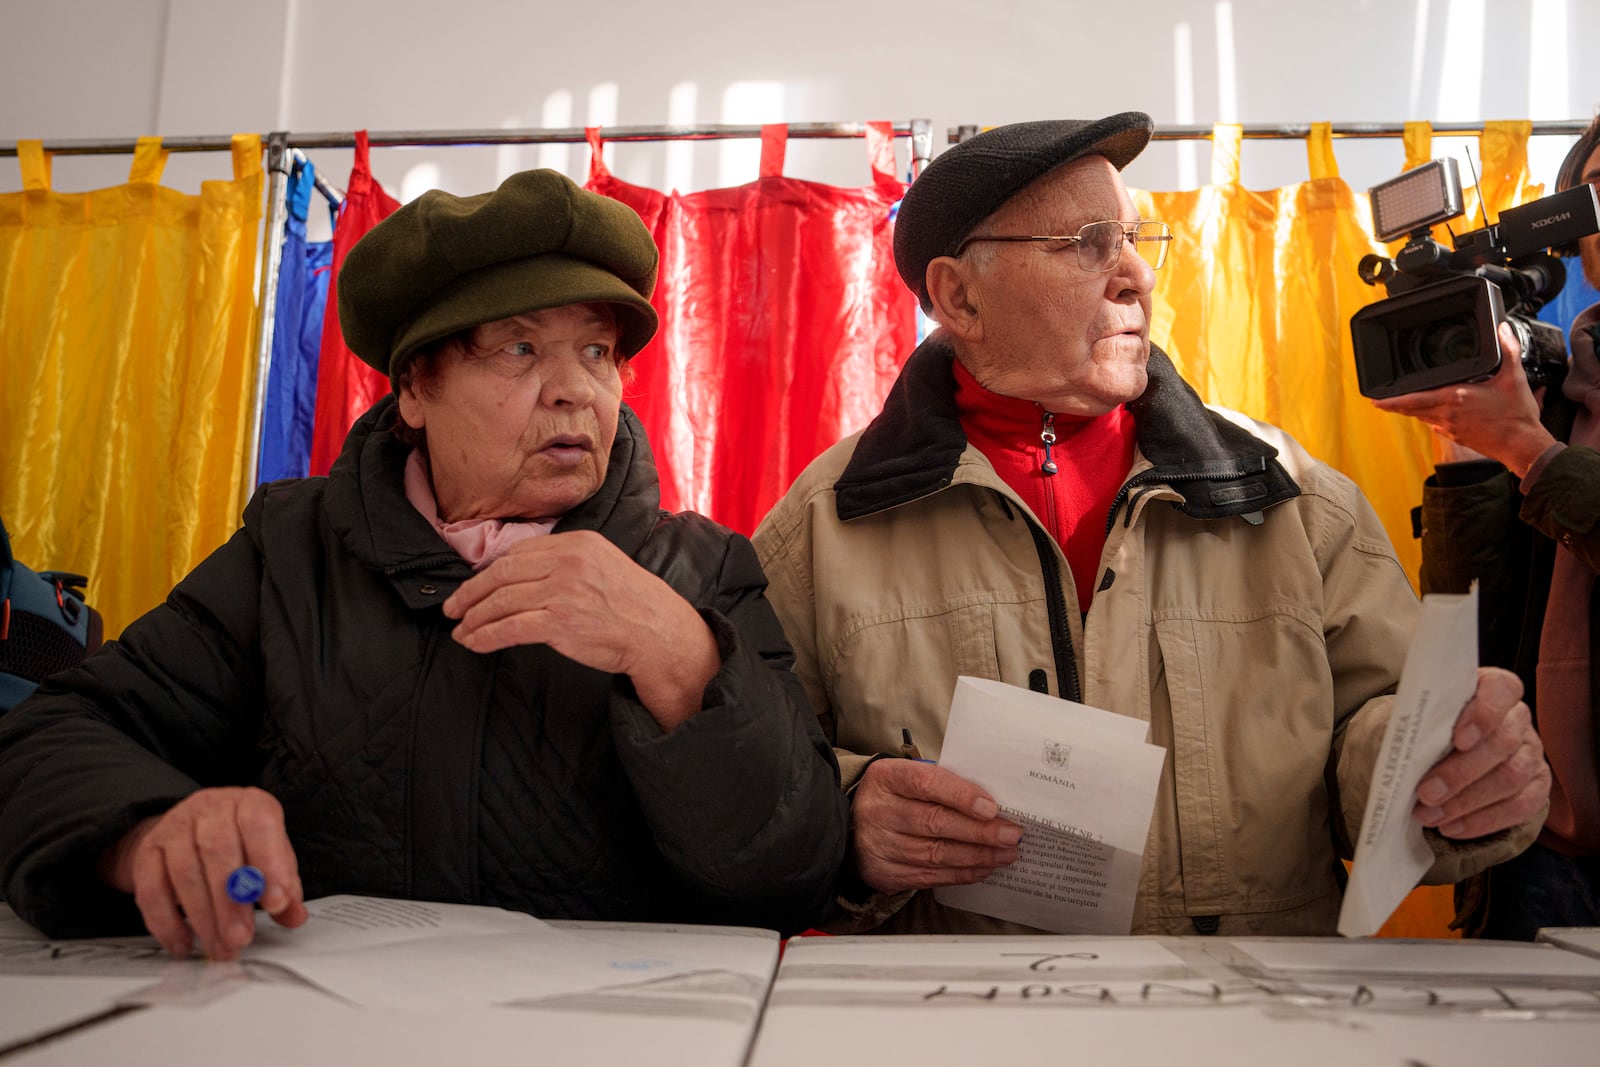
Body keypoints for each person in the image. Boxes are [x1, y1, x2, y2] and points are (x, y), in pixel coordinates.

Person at [0, 169, 849, 958]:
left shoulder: (699, 567)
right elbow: (46, 738)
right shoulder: (292, 553)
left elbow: (799, 867)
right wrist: (146, 828)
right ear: (413, 389)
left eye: (596, 351)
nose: (576, 390)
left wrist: (681, 654)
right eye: (519, 349)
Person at [753, 112, 1550, 936]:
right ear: (960, 296)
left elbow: (1380, 737)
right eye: (1087, 242)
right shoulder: (822, 527)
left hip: (1242, 1032)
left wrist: (1452, 772)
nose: (1137, 274)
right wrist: (851, 822)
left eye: (1135, 238)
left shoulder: (1293, 500)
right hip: (960, 1037)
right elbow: (751, 803)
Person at [1371, 115, 1600, 938]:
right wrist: (1467, 456)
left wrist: (1531, 453)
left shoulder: (1541, 429)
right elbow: (1470, 631)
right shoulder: (1558, 392)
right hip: (1537, 852)